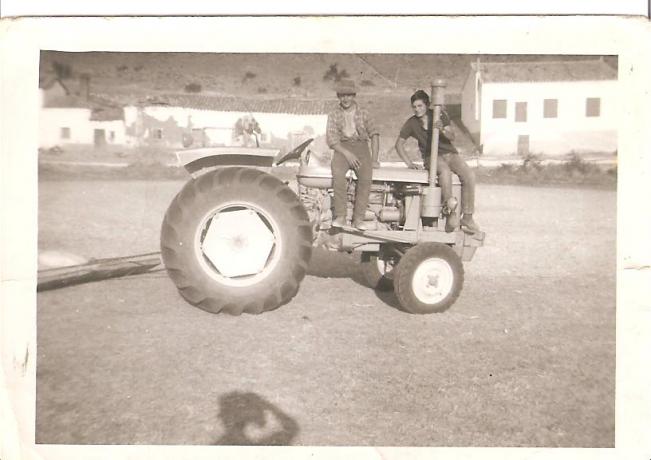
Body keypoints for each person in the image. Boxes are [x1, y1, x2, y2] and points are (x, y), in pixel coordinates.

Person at [394, 89, 480, 234]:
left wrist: (442, 130)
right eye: (414, 107)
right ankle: (450, 213)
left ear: (427, 105)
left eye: (420, 106)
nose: (417, 109)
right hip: (431, 157)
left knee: (469, 175)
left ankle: (467, 216)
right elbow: (398, 144)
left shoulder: (439, 115)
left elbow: (452, 136)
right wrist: (409, 163)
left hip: (450, 154)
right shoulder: (412, 123)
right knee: (444, 172)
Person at [326, 79, 380, 231]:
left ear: (354, 95)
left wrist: (374, 159)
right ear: (338, 96)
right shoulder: (334, 114)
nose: (346, 99)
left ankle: (358, 219)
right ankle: (341, 216)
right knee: (337, 174)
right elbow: (332, 139)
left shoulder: (364, 113)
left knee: (366, 178)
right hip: (342, 148)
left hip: (361, 147)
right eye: (342, 95)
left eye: (349, 95)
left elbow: (375, 134)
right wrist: (347, 154)